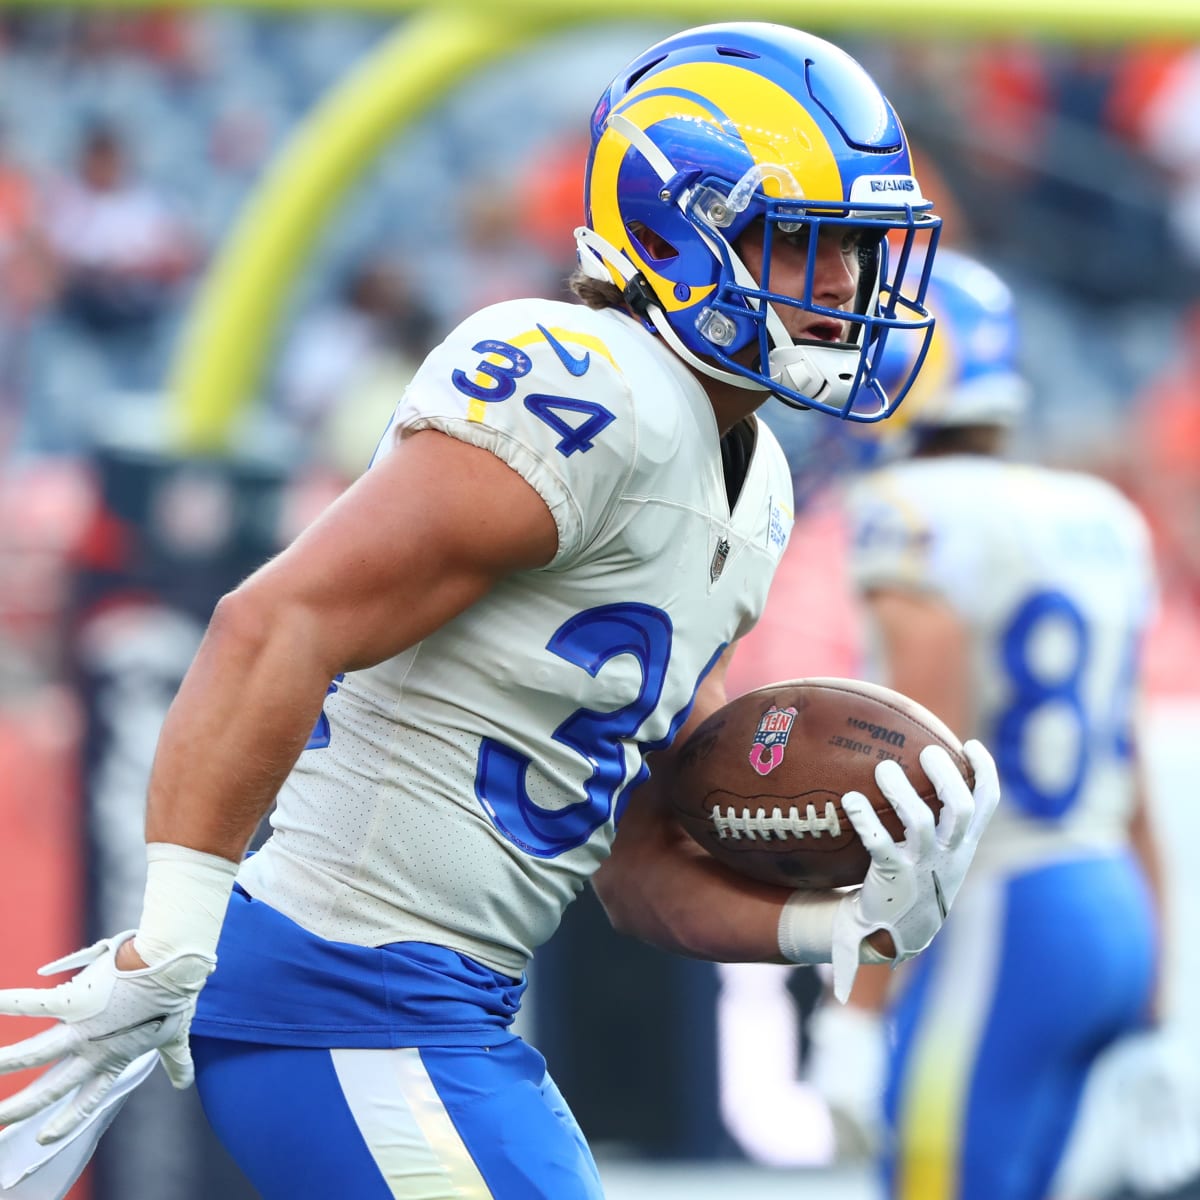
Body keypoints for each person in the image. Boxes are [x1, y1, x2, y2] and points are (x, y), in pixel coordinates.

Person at [0, 23, 999, 1200]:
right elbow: (272, 622)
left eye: (858, 250)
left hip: (450, 1012)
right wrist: (171, 931)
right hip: (344, 995)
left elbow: (636, 860)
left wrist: (834, 929)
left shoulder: (754, 474)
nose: (842, 284)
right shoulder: (587, 382)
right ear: (683, 225)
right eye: (801, 241)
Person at [798, 247, 1196, 1200]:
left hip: (1007, 910)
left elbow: (923, 770)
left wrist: (859, 1007)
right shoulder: (1098, 511)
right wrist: (1160, 977)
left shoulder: (909, 510)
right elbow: (1128, 759)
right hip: (1107, 897)